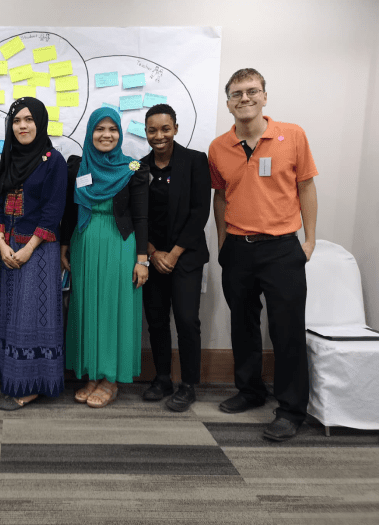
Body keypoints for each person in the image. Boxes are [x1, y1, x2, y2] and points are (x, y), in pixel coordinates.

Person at [209, 68, 318, 441]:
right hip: (237, 248)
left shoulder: (293, 135)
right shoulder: (218, 147)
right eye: (236, 93)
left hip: (282, 248)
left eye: (252, 91)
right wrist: (222, 243)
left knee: (287, 330)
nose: (245, 98)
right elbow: (220, 196)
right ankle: (250, 390)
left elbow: (306, 187)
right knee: (243, 325)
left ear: (264, 96)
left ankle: (291, 410)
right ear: (228, 103)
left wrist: (310, 240)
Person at [61, 107, 149, 408]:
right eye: (100, 129)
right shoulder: (78, 166)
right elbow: (69, 210)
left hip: (119, 244)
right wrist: (64, 244)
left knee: (113, 309)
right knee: (86, 307)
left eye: (113, 129)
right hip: (84, 243)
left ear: (120, 134)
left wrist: (142, 260)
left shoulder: (134, 168)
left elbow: (142, 217)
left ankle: (111, 379)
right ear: (90, 132)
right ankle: (92, 374)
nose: (106, 135)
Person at [0, 97, 68, 410]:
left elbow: (53, 209)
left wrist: (28, 249)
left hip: (39, 251)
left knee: (33, 317)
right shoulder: (8, 156)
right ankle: (12, 376)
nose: (22, 126)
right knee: (13, 315)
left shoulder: (53, 161)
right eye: (17, 120)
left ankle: (32, 386)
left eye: (29, 120)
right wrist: (1, 242)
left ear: (40, 122)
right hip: (9, 249)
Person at [140, 104, 211, 412]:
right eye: (152, 130)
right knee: (156, 321)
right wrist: (153, 252)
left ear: (176, 129)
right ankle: (162, 379)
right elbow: (136, 214)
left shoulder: (195, 161)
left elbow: (200, 212)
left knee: (186, 319)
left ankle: (189, 384)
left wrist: (174, 254)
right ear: (146, 132)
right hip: (153, 257)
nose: (159, 136)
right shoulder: (139, 167)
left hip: (186, 256)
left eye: (165, 129)